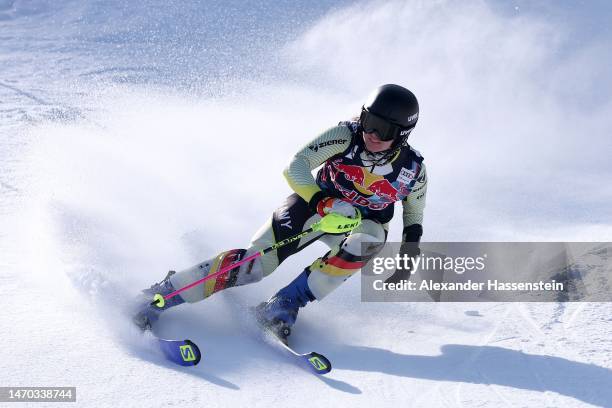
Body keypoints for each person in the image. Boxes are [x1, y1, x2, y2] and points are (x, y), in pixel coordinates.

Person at [133, 84, 428, 341]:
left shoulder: (412, 169)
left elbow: (414, 213)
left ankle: (283, 305)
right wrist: (320, 202)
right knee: (254, 266)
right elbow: (295, 165)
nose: (372, 133)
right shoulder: (344, 136)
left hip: (360, 224)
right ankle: (164, 293)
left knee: (370, 240)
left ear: (401, 134)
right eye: (369, 121)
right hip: (314, 207)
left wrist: (409, 252)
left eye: (384, 129)